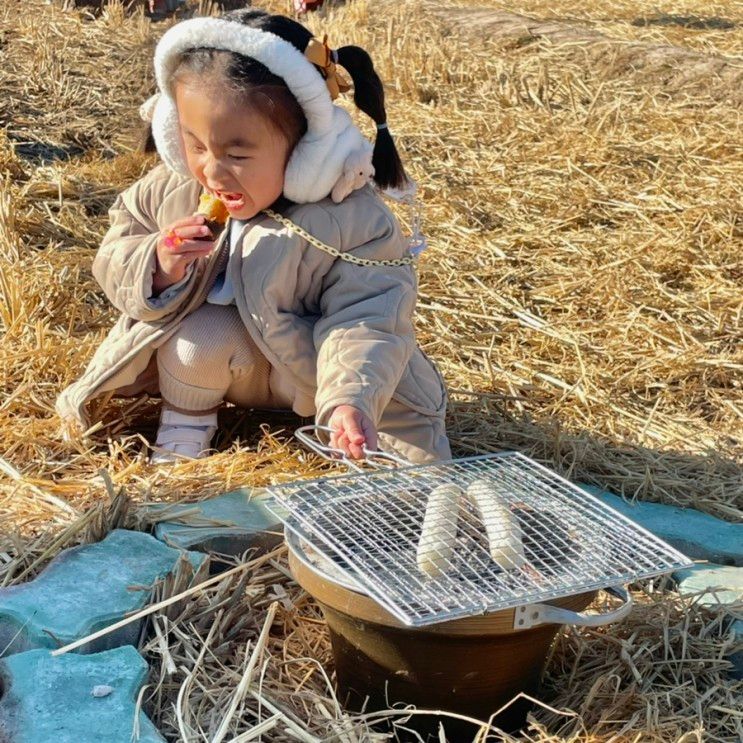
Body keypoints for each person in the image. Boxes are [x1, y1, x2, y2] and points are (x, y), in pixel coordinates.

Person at [56, 8, 451, 464]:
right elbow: (114, 255)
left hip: (307, 374)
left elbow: (368, 317)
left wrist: (351, 398)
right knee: (195, 339)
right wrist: (159, 266)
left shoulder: (355, 219)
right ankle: (185, 425)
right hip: (222, 362)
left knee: (411, 472)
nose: (212, 170)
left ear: (307, 149)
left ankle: (337, 424)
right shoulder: (169, 190)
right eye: (196, 145)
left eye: (237, 154)